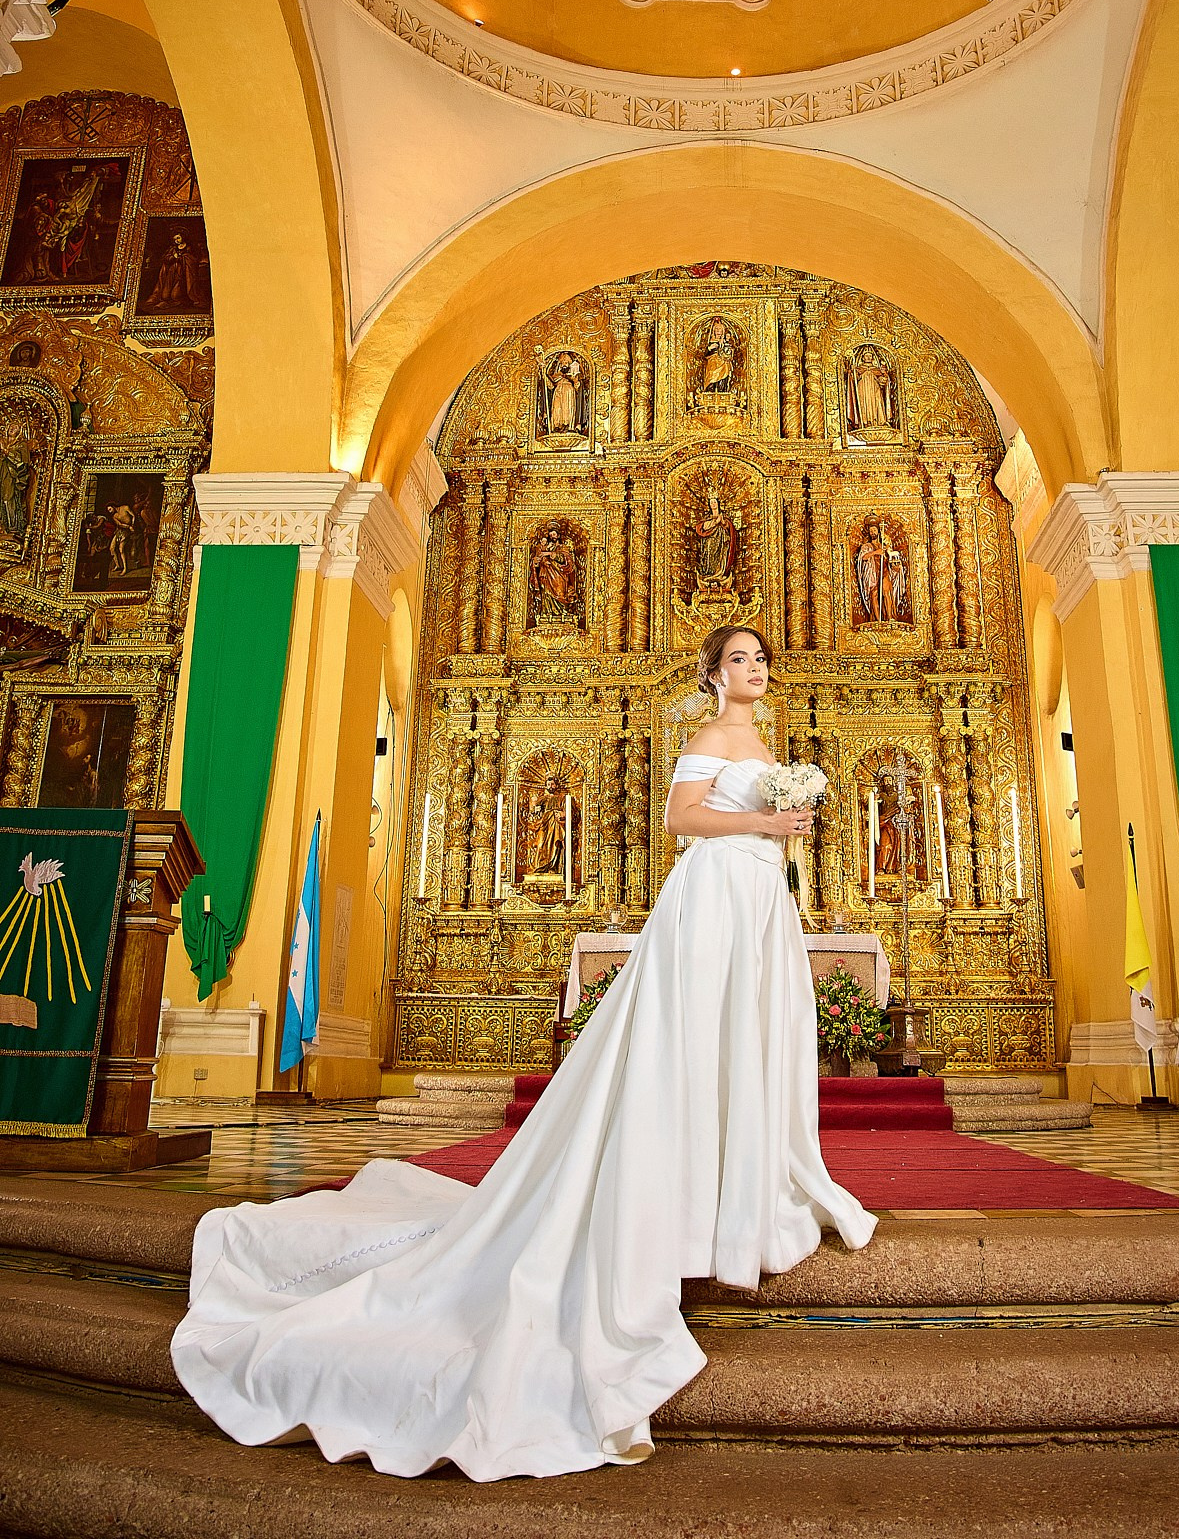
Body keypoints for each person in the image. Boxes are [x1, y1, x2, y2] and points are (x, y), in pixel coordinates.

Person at [170, 623, 874, 1481]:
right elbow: (681, 818)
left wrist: (780, 835)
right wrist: (768, 816)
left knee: (744, 1041)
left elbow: (739, 822)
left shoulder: (763, 739)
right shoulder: (709, 734)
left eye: (761, 659)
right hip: (716, 895)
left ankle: (739, 1183)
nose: (754, 670)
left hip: (757, 896)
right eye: (738, 659)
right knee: (693, 1040)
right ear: (712, 674)